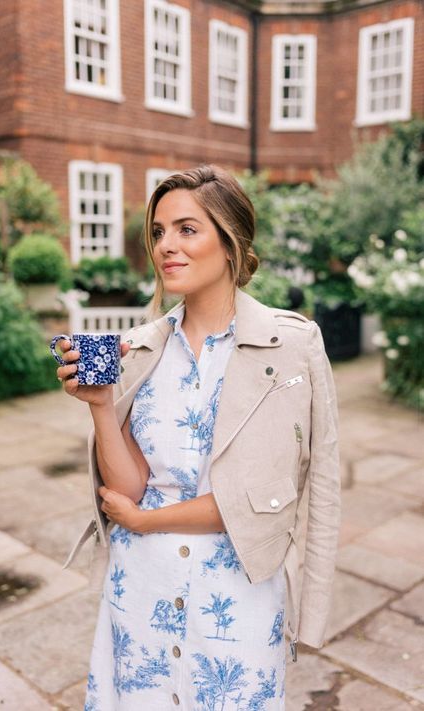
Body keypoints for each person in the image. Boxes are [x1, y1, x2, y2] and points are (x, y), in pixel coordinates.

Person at [56, 165, 341, 711]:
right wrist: (99, 407)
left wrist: (314, 607)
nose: (167, 246)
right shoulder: (140, 348)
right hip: (141, 589)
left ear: (231, 243)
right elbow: (130, 488)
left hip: (238, 598)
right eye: (159, 232)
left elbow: (302, 489)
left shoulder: (293, 347)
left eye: (187, 229)